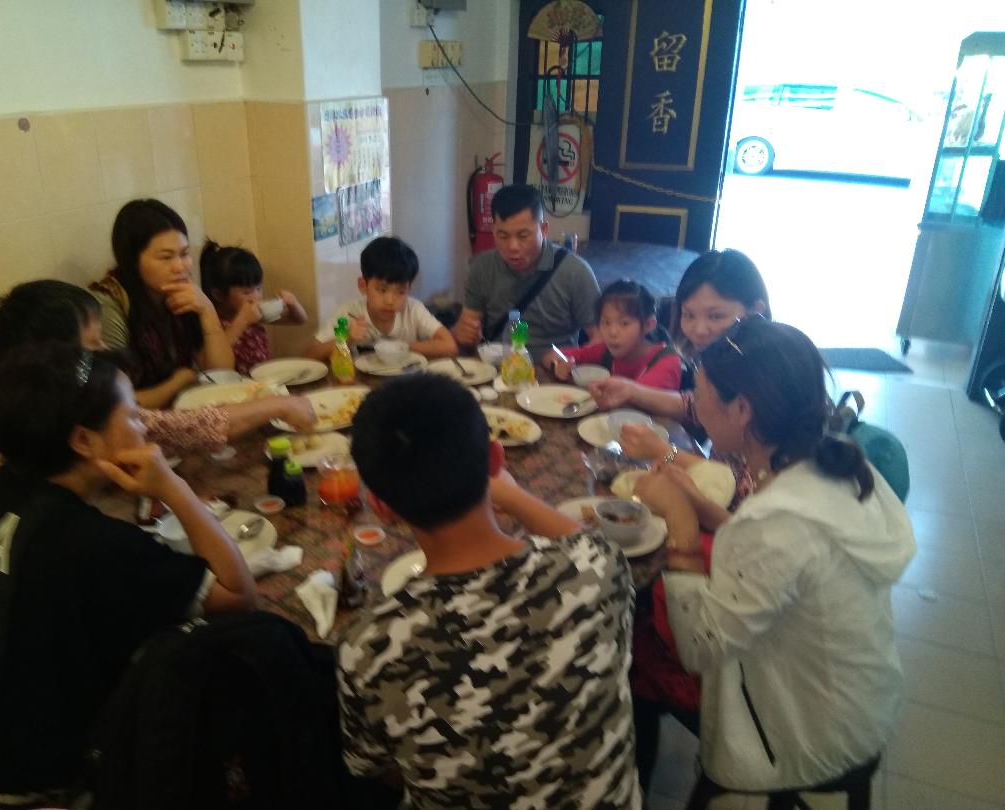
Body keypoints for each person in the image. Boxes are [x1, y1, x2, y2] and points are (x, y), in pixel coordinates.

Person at [0, 343, 258, 808]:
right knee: (221, 659)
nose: (145, 426)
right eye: (133, 415)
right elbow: (240, 594)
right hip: (40, 785)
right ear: (82, 441)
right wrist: (174, 487)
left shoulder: (0, 487)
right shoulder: (89, 544)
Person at [633, 318, 915, 794]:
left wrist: (682, 525)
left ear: (742, 409)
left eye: (700, 392)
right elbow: (777, 552)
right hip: (859, 698)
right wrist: (698, 504)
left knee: (636, 658)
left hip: (804, 731)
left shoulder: (777, 521)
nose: (695, 404)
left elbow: (699, 648)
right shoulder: (832, 464)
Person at [0, 280, 314, 622]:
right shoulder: (90, 537)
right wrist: (277, 406)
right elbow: (237, 595)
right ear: (54, 363)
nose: (105, 352)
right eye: (92, 346)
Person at [338, 373, 642, 808]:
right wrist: (512, 495)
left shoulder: (367, 647)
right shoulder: (598, 566)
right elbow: (581, 539)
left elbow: (373, 766)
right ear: (497, 458)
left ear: (381, 508)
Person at [588, 248, 770, 424]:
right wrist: (632, 391)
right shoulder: (718, 362)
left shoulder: (766, 377)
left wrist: (665, 450)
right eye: (689, 315)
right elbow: (696, 406)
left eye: (716, 316)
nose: (699, 330)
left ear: (755, 311)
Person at [90, 199, 234, 408]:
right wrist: (177, 382)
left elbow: (221, 374)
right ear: (132, 261)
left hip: (180, 411)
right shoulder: (110, 305)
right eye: (166, 257)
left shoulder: (181, 291)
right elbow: (116, 403)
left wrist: (208, 310)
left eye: (184, 254)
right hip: (137, 421)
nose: (180, 267)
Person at [452, 183, 601, 353]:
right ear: (493, 231)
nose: (513, 246)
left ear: (543, 230)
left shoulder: (576, 273)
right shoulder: (482, 267)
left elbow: (600, 338)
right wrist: (463, 333)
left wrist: (576, 357)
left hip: (554, 367)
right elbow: (468, 324)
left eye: (523, 236)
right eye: (503, 236)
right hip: (498, 365)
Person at [303, 236, 457, 360]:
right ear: (363, 285)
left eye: (400, 292)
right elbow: (308, 354)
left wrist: (401, 348)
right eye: (382, 290)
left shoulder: (413, 310)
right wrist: (347, 339)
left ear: (409, 289)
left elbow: (449, 346)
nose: (390, 301)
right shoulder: (349, 314)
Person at [541, 279, 682, 390]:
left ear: (649, 324)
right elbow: (550, 356)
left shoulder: (667, 361)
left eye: (624, 323)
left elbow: (638, 400)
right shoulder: (605, 351)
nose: (612, 332)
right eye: (606, 322)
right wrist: (558, 366)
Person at [200, 239, 308, 375]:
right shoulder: (213, 325)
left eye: (258, 288)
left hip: (265, 380)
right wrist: (242, 320)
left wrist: (293, 304)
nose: (256, 296)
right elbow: (214, 363)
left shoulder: (257, 314)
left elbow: (298, 320)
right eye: (246, 292)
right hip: (237, 385)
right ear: (219, 295)